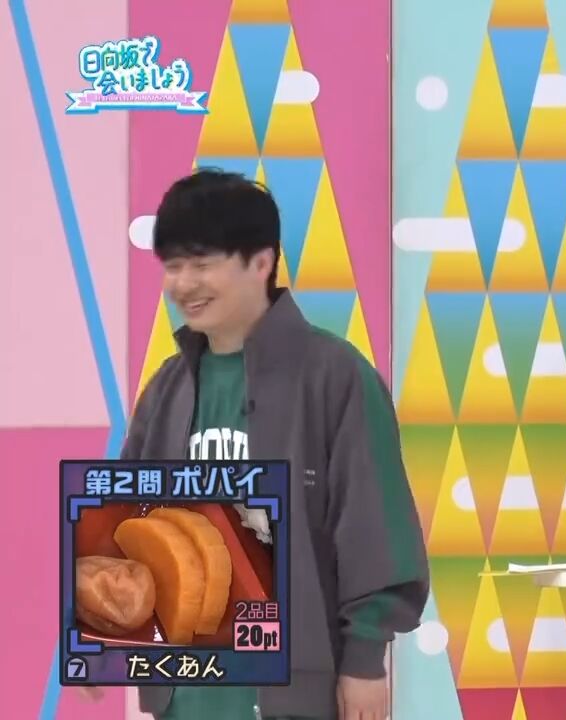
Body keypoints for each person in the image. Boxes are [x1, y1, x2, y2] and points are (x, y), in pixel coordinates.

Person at [81, 169, 430, 719]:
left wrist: (364, 659)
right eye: (173, 266)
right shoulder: (167, 387)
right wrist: (94, 638)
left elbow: (372, 523)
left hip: (295, 694)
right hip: (185, 691)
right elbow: (122, 522)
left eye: (202, 264)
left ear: (261, 262)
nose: (183, 284)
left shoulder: (334, 376)